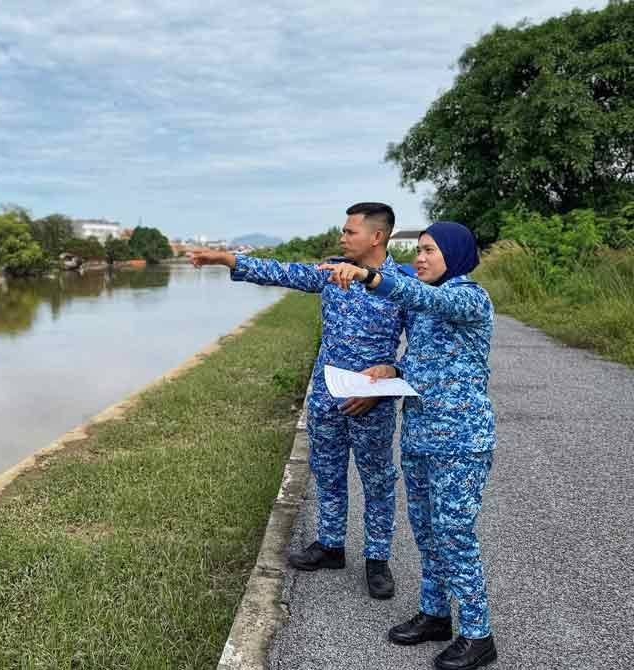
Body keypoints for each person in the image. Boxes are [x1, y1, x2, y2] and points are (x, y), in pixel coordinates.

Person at [191, 202, 405, 600]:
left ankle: (377, 559)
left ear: (376, 237)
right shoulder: (330, 272)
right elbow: (284, 272)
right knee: (327, 471)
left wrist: (392, 374)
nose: (342, 237)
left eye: (350, 232)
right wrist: (227, 259)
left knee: (378, 480)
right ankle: (330, 545)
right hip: (327, 396)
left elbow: (423, 348)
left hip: (370, 402)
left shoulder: (400, 285)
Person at [318, 222, 498, 670]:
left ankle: (479, 635)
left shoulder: (467, 297)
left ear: (454, 256)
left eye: (429, 251)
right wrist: (389, 368)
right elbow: (424, 359)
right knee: (426, 533)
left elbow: (426, 298)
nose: (420, 258)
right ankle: (436, 615)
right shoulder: (425, 307)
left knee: (454, 534)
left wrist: (368, 276)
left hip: (460, 441)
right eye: (417, 250)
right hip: (419, 437)